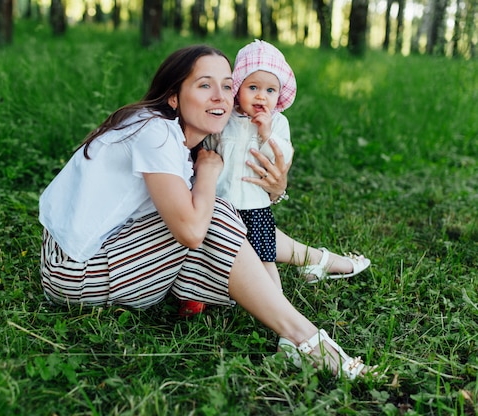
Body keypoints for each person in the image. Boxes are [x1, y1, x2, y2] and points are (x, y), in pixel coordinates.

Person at [39, 45, 374, 379]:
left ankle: (314, 265)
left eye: (227, 86)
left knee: (222, 224)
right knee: (214, 214)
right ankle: (306, 339)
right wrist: (209, 172)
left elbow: (243, 205)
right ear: (174, 96)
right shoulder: (155, 133)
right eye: (204, 85)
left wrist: (276, 189)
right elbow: (194, 231)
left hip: (102, 251)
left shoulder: (183, 136)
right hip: (74, 271)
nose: (221, 97)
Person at [180, 40, 370, 317]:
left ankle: (278, 305)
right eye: (253, 88)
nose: (261, 97)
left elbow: (283, 157)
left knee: (263, 257)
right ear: (238, 87)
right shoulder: (226, 117)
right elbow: (206, 143)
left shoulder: (278, 123)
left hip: (254, 206)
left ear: (279, 94)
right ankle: (197, 295)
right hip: (219, 202)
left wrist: (266, 133)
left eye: (270, 90)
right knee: (207, 250)